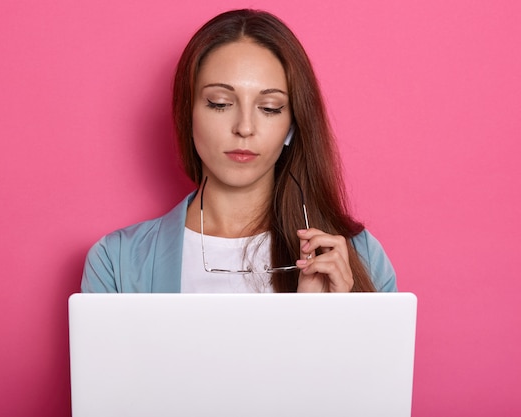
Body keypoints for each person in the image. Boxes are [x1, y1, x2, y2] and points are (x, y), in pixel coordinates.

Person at [82, 9, 397, 293]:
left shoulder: (358, 257)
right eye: (220, 104)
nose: (245, 127)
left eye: (270, 108)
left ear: (292, 124)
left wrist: (325, 320)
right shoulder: (116, 263)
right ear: (187, 112)